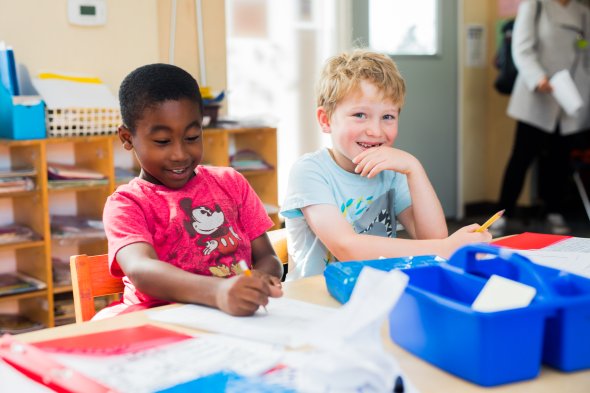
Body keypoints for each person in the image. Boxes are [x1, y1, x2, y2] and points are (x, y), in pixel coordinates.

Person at [280, 49, 492, 280]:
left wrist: (414, 168)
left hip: (373, 293)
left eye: (388, 117)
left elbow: (433, 237)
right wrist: (443, 249)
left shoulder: (392, 172)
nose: (375, 131)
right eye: (360, 115)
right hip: (313, 302)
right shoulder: (310, 171)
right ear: (325, 119)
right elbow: (347, 247)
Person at [95, 63, 283, 319]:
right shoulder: (127, 204)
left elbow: (267, 257)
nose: (180, 154)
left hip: (233, 317)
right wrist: (218, 292)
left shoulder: (231, 183)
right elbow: (141, 269)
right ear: (127, 138)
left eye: (192, 137)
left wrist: (259, 281)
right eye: (162, 141)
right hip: (162, 320)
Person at [496, 0, 590, 235]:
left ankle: (553, 211)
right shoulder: (535, 5)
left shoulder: (583, 12)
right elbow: (522, 47)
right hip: (537, 93)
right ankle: (500, 214)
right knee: (521, 157)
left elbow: (586, 52)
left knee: (559, 159)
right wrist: (538, 78)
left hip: (570, 96)